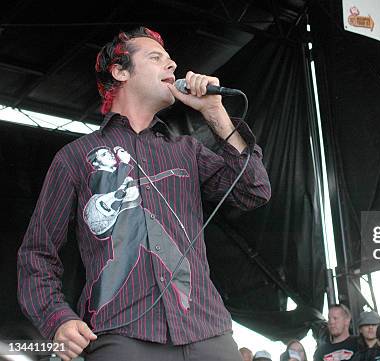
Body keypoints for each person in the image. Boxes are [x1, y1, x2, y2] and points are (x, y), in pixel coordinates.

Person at [16, 27, 271, 361]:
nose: (172, 65)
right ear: (121, 71)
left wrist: (215, 114)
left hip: (208, 332)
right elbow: (37, 252)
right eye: (156, 58)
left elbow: (253, 191)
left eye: (170, 60)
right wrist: (57, 319)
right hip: (122, 335)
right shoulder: (76, 157)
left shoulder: (187, 151)